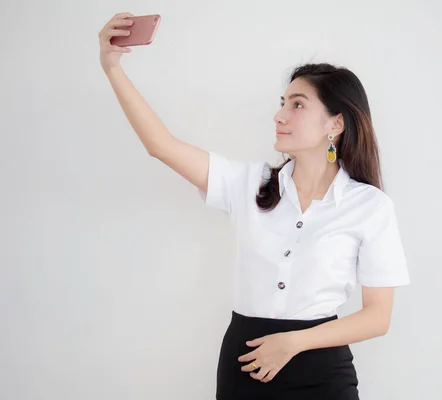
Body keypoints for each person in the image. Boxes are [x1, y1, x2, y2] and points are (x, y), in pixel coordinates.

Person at [99, 12, 410, 400]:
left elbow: (378, 317)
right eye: (283, 103)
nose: (279, 115)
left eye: (297, 105)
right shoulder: (248, 184)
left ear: (335, 124)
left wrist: (292, 343)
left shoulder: (370, 206)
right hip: (245, 364)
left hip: (321, 370)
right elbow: (161, 145)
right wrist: (112, 68)